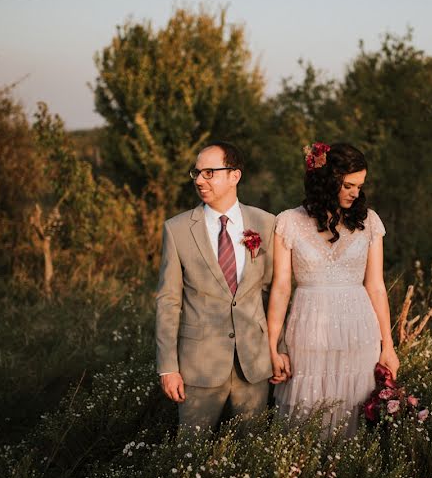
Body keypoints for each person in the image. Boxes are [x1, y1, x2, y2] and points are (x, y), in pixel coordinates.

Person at [267, 142, 399, 437]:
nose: (356, 192)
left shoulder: (369, 222)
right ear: (327, 181)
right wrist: (273, 346)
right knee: (306, 414)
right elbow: (280, 288)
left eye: (360, 185)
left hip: (358, 332)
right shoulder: (288, 222)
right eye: (349, 185)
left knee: (353, 410)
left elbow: (376, 286)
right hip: (307, 333)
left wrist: (388, 346)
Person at [156, 141, 276, 431]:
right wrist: (168, 367)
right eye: (196, 173)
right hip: (199, 367)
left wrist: (278, 351)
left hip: (254, 365)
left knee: (251, 453)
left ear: (234, 175)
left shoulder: (266, 223)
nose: (199, 180)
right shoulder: (177, 229)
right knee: (191, 453)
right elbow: (168, 301)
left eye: (209, 172)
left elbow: (274, 292)